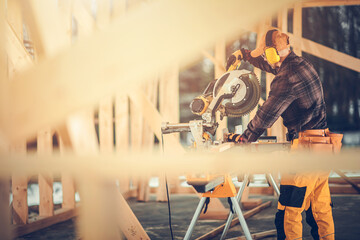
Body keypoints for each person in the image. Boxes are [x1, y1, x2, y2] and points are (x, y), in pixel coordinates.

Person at [226, 29, 335, 240]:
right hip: (323, 146)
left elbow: (267, 114)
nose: (265, 58)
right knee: (319, 208)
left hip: (305, 150)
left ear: (273, 53)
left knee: (288, 212)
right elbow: (271, 66)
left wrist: (244, 138)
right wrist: (245, 55)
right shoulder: (299, 64)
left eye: (265, 54)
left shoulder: (286, 78)